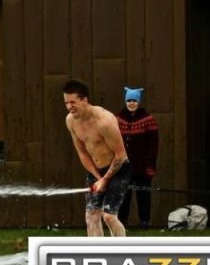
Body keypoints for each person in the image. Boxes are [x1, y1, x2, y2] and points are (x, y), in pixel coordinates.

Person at [63, 80, 130, 237]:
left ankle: (122, 249)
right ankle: (96, 250)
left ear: (85, 100)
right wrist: (97, 177)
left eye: (73, 102)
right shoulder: (71, 121)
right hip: (96, 171)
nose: (69, 106)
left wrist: (105, 180)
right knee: (91, 216)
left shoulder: (104, 121)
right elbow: (82, 152)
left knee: (109, 217)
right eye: (66, 103)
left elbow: (121, 155)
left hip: (118, 169)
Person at [116, 87, 159, 230]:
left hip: (142, 166)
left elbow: (153, 145)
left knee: (143, 195)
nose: (131, 103)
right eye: (129, 100)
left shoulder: (148, 120)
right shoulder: (118, 119)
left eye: (134, 100)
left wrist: (150, 166)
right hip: (124, 166)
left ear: (139, 102)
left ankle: (144, 222)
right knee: (123, 196)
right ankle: (122, 223)